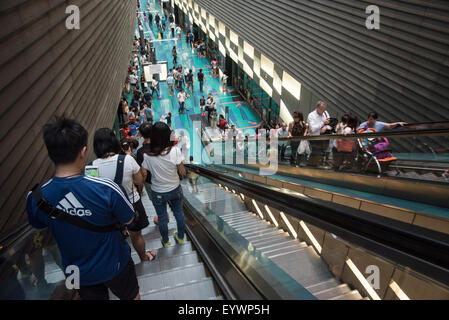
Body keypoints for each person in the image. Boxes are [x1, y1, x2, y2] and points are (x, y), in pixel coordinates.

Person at [26, 118, 140, 300]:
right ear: (83, 151)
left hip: (73, 270)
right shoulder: (106, 188)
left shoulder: (35, 198)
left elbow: (39, 227)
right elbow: (129, 219)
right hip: (115, 261)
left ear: (51, 153)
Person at [92, 129, 156, 264]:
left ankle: (121, 263)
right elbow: (139, 181)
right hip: (132, 203)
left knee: (114, 237)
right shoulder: (127, 160)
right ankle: (143, 257)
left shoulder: (92, 166)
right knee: (136, 235)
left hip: (108, 209)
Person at [142, 122, 187, 247]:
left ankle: (166, 241)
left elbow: (144, 174)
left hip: (158, 191)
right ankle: (181, 237)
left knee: (162, 218)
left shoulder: (147, 155)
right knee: (179, 213)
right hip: (175, 188)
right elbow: (182, 172)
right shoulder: (175, 151)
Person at [307, 101, 330, 167]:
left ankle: (313, 166)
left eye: (324, 109)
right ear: (317, 108)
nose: (323, 111)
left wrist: (326, 127)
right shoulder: (311, 115)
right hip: (314, 138)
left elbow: (330, 124)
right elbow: (313, 129)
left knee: (321, 154)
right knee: (316, 153)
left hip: (324, 138)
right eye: (321, 109)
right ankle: (310, 166)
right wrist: (323, 123)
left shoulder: (325, 113)